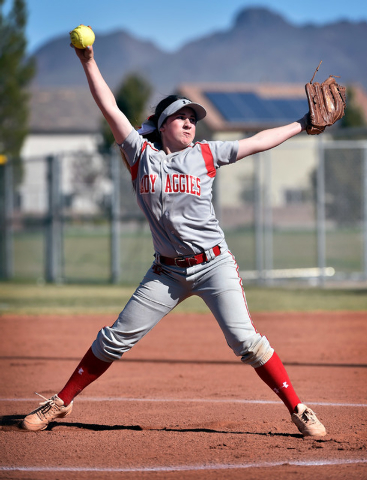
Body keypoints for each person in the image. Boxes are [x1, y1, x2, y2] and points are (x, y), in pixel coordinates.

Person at [21, 33, 326, 437]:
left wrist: (302, 123)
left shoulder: (205, 154)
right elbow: (109, 106)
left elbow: (257, 142)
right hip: (166, 273)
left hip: (214, 264)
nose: (190, 122)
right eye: (182, 116)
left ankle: (298, 408)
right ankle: (60, 403)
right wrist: (88, 61)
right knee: (114, 339)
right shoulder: (139, 155)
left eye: (194, 118)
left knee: (247, 343)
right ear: (162, 125)